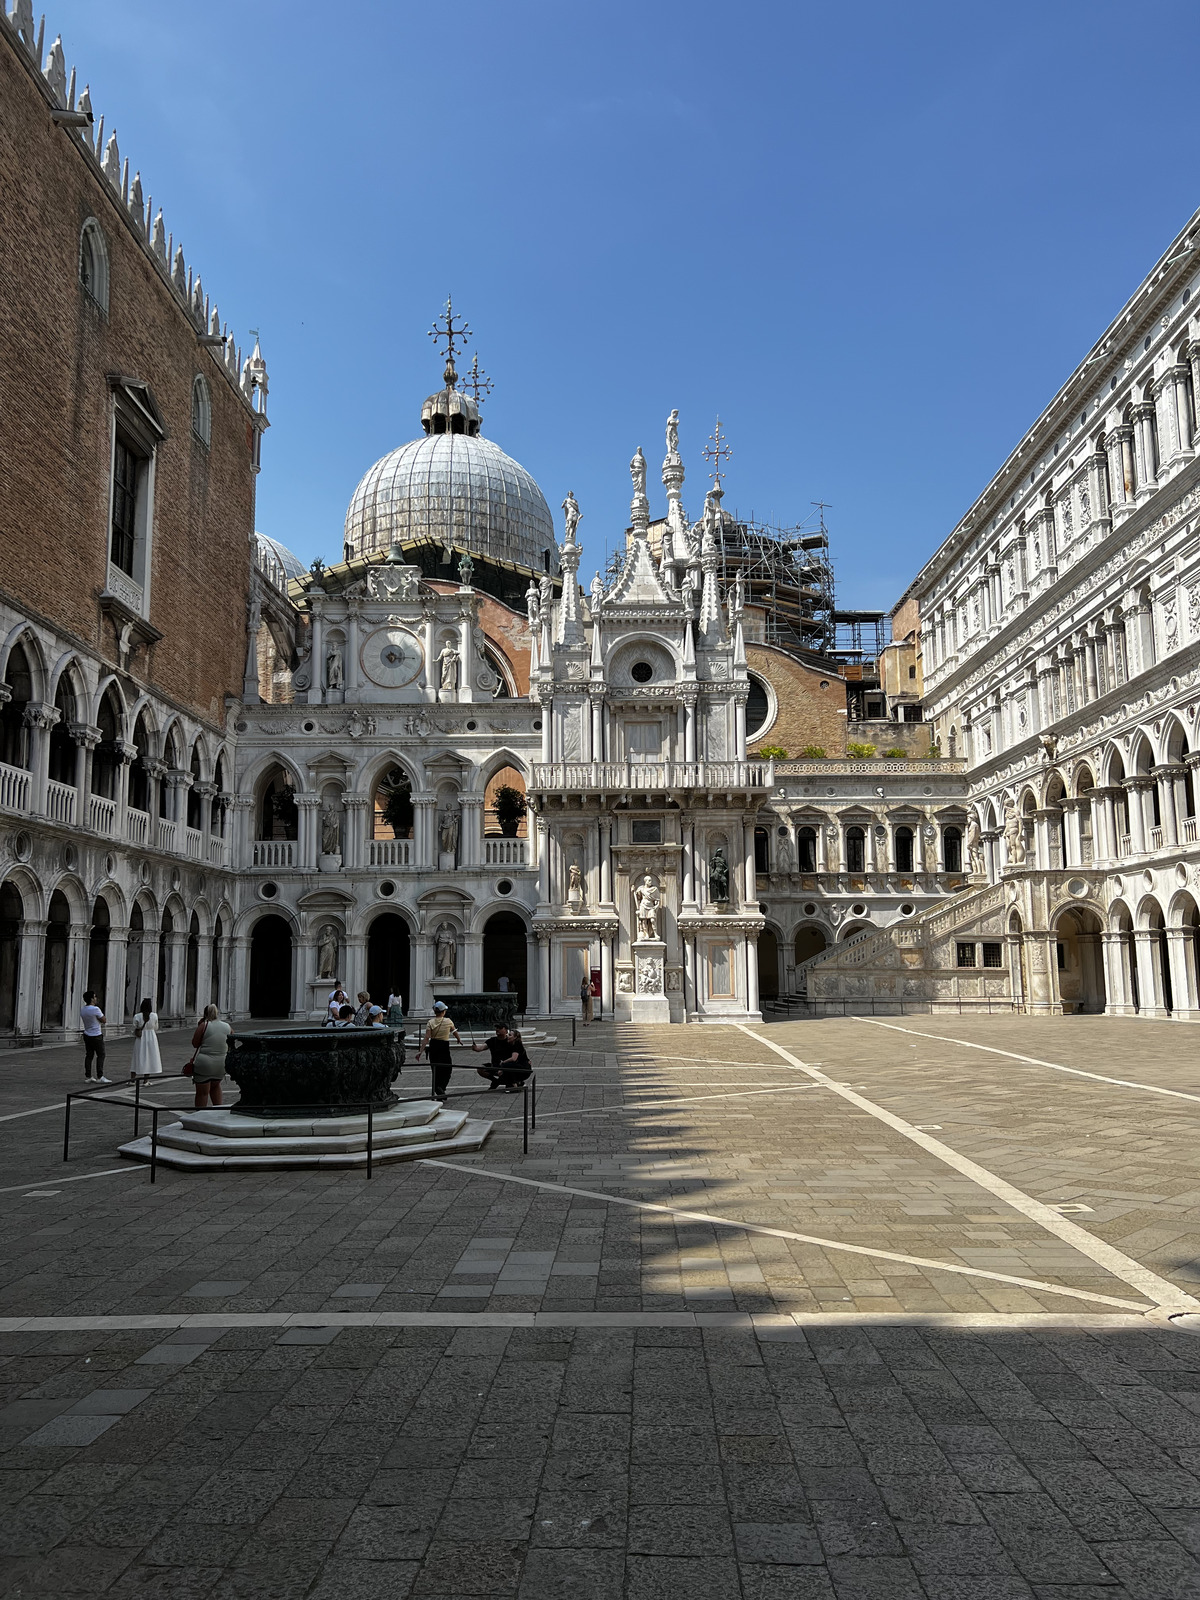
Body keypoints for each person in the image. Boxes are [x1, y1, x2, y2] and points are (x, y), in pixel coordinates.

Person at [416, 1000, 462, 1101]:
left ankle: (438, 1089)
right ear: (444, 1011)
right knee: (447, 1068)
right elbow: (454, 1031)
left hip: (434, 1046)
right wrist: (459, 1039)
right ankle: (441, 1088)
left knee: (435, 1069)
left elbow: (426, 1038)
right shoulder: (448, 1021)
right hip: (444, 1046)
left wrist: (420, 1051)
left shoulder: (430, 1022)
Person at [190, 1003, 233, 1110]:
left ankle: (200, 1115)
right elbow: (232, 1041)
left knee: (202, 1093)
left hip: (205, 1063)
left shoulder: (204, 1025)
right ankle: (218, 1111)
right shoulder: (227, 1026)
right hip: (221, 1063)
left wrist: (200, 1026)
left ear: (205, 1014)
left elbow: (195, 1043)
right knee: (215, 1086)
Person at [80, 989, 110, 1083]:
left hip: (87, 1033)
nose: (96, 998)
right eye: (95, 996)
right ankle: (100, 1076)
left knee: (89, 1055)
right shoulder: (95, 1009)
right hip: (96, 1034)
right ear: (92, 999)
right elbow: (104, 1020)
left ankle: (88, 1076)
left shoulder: (83, 1009)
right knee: (101, 1055)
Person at [129, 999, 162, 1081]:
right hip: (151, 1037)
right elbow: (156, 1027)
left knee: (137, 1057)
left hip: (141, 1038)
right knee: (149, 1057)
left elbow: (134, 1027)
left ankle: (132, 1079)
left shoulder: (137, 1016)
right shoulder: (154, 1016)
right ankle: (146, 1080)